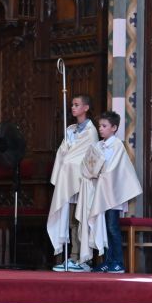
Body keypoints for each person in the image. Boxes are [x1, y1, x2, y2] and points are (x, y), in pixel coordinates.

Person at [77, 111, 142, 273]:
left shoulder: (117, 146)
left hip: (112, 195)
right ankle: (107, 261)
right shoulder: (97, 146)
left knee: (112, 228)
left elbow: (113, 170)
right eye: (99, 126)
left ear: (114, 128)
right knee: (103, 228)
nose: (101, 129)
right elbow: (88, 166)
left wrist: (99, 173)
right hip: (99, 194)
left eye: (104, 126)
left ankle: (118, 262)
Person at [47, 94, 98, 272]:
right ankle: (72, 257)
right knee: (70, 220)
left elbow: (87, 157)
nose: (73, 108)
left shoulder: (91, 132)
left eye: (76, 105)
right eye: (72, 105)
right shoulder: (70, 129)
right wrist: (66, 150)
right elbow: (64, 154)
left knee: (80, 218)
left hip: (82, 182)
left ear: (86, 108)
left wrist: (70, 158)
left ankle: (82, 259)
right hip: (69, 182)